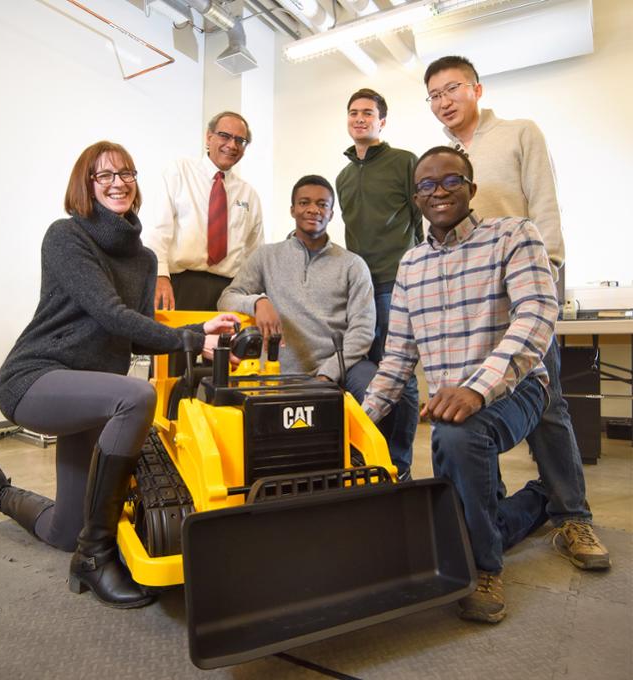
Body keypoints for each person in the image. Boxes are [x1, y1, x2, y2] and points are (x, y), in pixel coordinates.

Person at [0, 141, 238, 609]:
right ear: (85, 186)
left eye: (126, 173)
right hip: (36, 377)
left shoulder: (146, 260)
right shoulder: (67, 236)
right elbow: (110, 314)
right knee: (135, 396)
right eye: (104, 175)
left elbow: (133, 337)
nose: (117, 183)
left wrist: (199, 330)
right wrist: (192, 341)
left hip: (92, 395)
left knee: (63, 530)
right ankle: (94, 559)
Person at [423, 55, 610, 570]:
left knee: (547, 405)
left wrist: (544, 278)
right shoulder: (442, 157)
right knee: (471, 404)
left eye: (452, 88)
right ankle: (496, 508)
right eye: (434, 94)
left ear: (476, 89)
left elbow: (545, 205)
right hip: (470, 300)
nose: (444, 100)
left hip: (523, 287)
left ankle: (572, 516)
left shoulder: (519, 133)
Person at [363, 146, 558, 623]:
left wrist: (477, 389)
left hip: (517, 390)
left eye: (451, 181)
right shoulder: (411, 266)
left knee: (454, 435)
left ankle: (482, 568)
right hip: (452, 404)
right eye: (427, 185)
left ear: (472, 188)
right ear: (416, 198)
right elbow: (397, 361)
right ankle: (536, 502)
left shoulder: (514, 235)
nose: (439, 191)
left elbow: (537, 316)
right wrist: (356, 423)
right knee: (465, 510)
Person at [217, 175, 406, 455]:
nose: (313, 209)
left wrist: (327, 375)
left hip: (338, 369)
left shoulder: (353, 265)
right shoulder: (265, 257)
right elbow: (226, 299)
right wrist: (259, 302)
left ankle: (372, 463)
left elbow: (363, 331)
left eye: (322, 204)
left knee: (377, 385)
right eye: (304, 203)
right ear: (292, 209)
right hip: (275, 371)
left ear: (331, 213)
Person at [335, 88, 423, 477]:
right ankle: (373, 458)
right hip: (358, 290)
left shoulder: (405, 162)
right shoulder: (342, 175)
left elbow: (421, 222)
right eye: (353, 113)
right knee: (366, 374)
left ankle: (399, 464)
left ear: (381, 121)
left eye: (367, 113)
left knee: (399, 374)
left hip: (396, 284)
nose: (359, 119)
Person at [145, 111, 264, 313]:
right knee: (178, 344)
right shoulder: (179, 171)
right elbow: (158, 230)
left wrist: (256, 298)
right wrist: (160, 275)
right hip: (180, 285)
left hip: (229, 293)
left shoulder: (249, 194)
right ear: (209, 137)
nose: (232, 145)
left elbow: (255, 253)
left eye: (240, 140)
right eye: (225, 136)